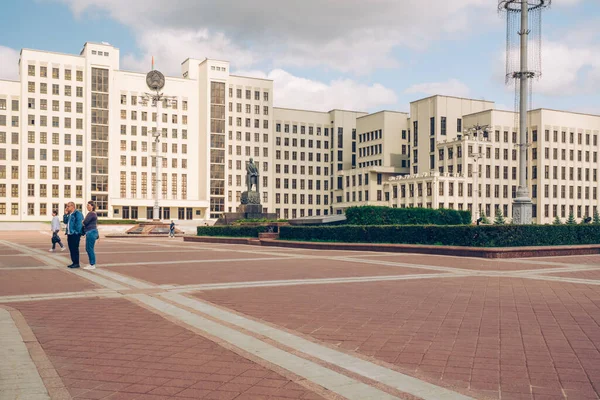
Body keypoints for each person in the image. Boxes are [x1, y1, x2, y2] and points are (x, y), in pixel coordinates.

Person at [63, 202, 83, 269]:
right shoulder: (69, 214)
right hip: (69, 234)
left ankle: (76, 263)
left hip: (75, 234)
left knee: (75, 249)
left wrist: (76, 232)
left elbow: (79, 224)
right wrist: (65, 214)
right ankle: (74, 262)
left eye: (68, 206)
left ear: (72, 206)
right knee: (71, 249)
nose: (67, 208)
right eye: (67, 206)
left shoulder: (78, 213)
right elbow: (65, 221)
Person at [82, 201, 99, 270]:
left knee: (89, 248)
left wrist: (82, 221)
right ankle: (92, 263)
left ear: (92, 206)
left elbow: (85, 222)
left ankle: (92, 264)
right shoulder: (94, 214)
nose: (87, 206)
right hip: (92, 232)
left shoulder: (91, 213)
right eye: (87, 205)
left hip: (91, 232)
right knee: (88, 248)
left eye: (88, 205)